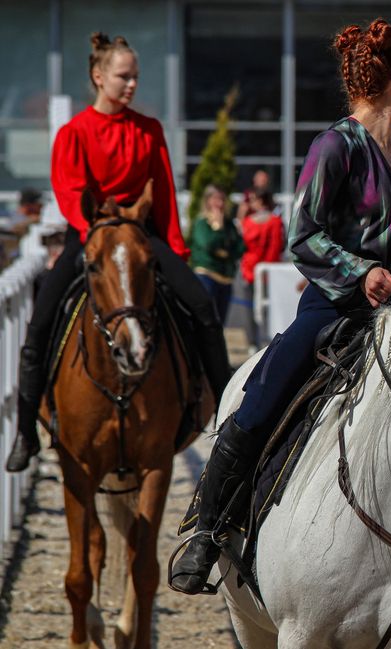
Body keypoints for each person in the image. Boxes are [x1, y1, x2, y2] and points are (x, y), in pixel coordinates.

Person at [169, 19, 391, 615]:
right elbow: (303, 236)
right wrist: (360, 272)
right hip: (335, 307)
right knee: (261, 398)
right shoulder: (334, 145)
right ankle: (207, 531)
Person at [5, 33, 233, 473]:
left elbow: (164, 191)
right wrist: (99, 225)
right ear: (98, 77)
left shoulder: (149, 130)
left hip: (143, 236)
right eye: (123, 77)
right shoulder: (74, 132)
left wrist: (177, 249)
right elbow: (71, 192)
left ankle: (227, 415)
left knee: (202, 306)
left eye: (136, 78)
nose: (132, 85)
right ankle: (26, 433)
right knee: (40, 323)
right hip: (89, 233)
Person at [232, 188, 284, 351]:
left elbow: (274, 247)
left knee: (262, 308)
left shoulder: (270, 221)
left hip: (258, 270)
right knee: (252, 307)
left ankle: (260, 341)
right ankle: (256, 341)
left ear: (260, 201)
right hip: (255, 270)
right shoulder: (260, 221)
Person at [189, 184, 245, 323]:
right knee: (207, 321)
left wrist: (224, 252)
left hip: (226, 278)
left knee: (220, 322)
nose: (219, 203)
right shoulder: (202, 223)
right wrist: (217, 228)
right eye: (215, 199)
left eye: (222, 199)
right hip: (207, 276)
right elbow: (207, 245)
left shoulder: (229, 224)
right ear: (208, 200)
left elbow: (240, 248)